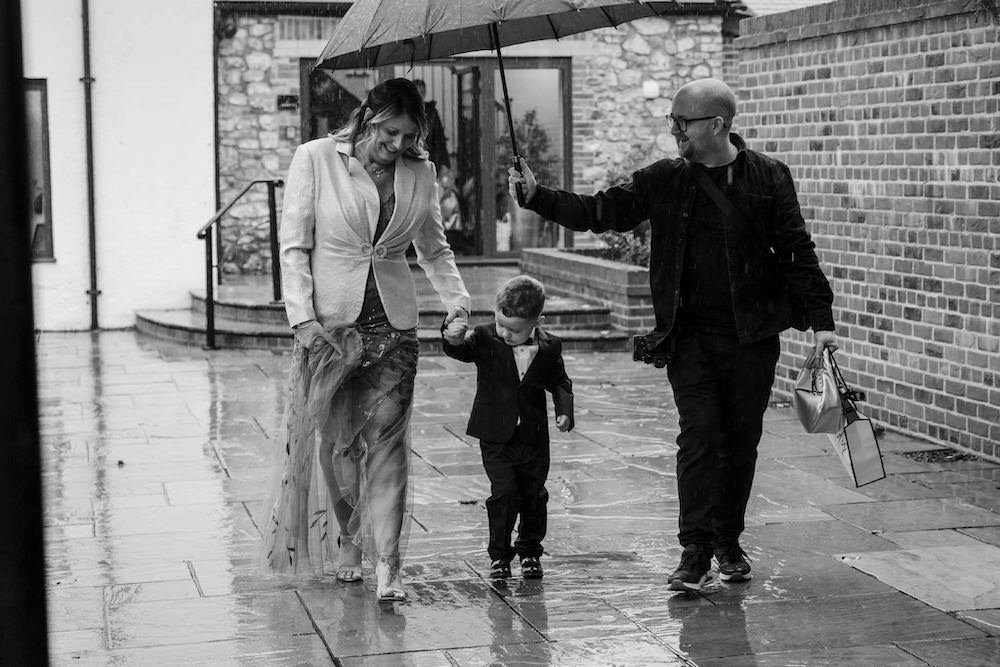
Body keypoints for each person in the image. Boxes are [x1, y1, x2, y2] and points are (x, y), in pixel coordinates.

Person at [508, 78, 838, 592]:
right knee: (700, 435)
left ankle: (728, 539)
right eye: (672, 120)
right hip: (688, 338)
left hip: (751, 338)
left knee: (740, 442)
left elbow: (796, 249)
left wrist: (823, 323)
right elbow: (602, 211)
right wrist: (538, 197)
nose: (674, 130)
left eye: (682, 122)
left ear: (717, 125)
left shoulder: (769, 177)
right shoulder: (666, 179)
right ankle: (695, 550)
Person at [258, 78, 471, 603]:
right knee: (339, 444)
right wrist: (302, 319)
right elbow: (293, 247)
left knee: (389, 446)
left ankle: (389, 564)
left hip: (395, 329)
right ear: (369, 115)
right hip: (330, 330)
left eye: (409, 135)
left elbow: (435, 251)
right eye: (390, 132)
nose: (398, 145)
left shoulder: (420, 173)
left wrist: (457, 301)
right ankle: (350, 542)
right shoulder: (315, 159)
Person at [441, 275, 574, 581]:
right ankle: (499, 555)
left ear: (537, 321)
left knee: (533, 496)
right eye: (500, 323)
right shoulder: (487, 337)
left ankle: (530, 551)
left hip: (533, 438)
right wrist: (453, 337)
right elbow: (460, 351)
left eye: (514, 329)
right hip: (495, 436)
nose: (504, 332)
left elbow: (559, 381)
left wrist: (564, 412)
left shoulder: (550, 346)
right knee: (504, 493)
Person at [413, 80, 450, 170]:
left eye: (422, 92)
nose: (419, 96)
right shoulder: (404, 112)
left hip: (429, 157)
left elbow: (439, 137)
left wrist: (444, 163)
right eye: (416, 92)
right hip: (411, 158)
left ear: (425, 93)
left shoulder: (432, 112)